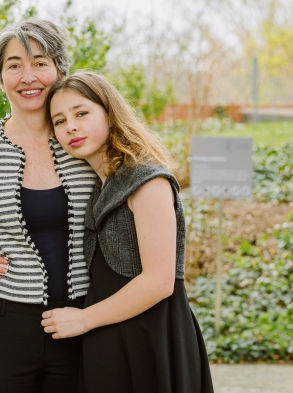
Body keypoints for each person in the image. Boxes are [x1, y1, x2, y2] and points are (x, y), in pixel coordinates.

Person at [42, 71, 214, 393]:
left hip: (151, 338)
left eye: (81, 113)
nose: (71, 127)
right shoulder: (98, 183)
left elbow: (159, 281)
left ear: (109, 112)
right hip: (109, 337)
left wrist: (83, 319)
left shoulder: (148, 181)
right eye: (60, 121)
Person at [0, 19, 97, 393]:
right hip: (1, 326)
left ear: (60, 70)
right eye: (14, 65)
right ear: (1, 79)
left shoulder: (85, 141)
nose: (27, 76)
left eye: (40, 62)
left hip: (81, 321)